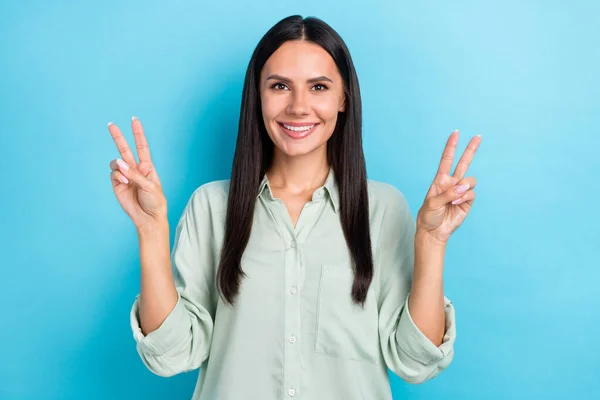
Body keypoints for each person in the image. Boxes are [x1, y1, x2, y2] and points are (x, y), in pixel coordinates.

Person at [108, 14, 480, 400]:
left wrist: (433, 242)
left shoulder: (385, 210)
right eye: (280, 86)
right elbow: (173, 356)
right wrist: (150, 230)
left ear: (343, 98)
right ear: (258, 96)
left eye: (318, 86)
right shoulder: (210, 206)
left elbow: (414, 362)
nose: (299, 106)